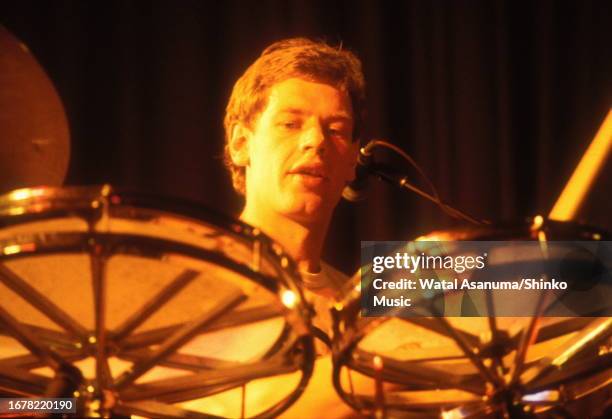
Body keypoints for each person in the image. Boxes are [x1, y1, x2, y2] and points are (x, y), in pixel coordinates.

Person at [223, 38, 365, 309]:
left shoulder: (360, 310)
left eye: (336, 130)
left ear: (352, 161)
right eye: (290, 124)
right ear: (241, 143)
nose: (317, 140)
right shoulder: (190, 273)